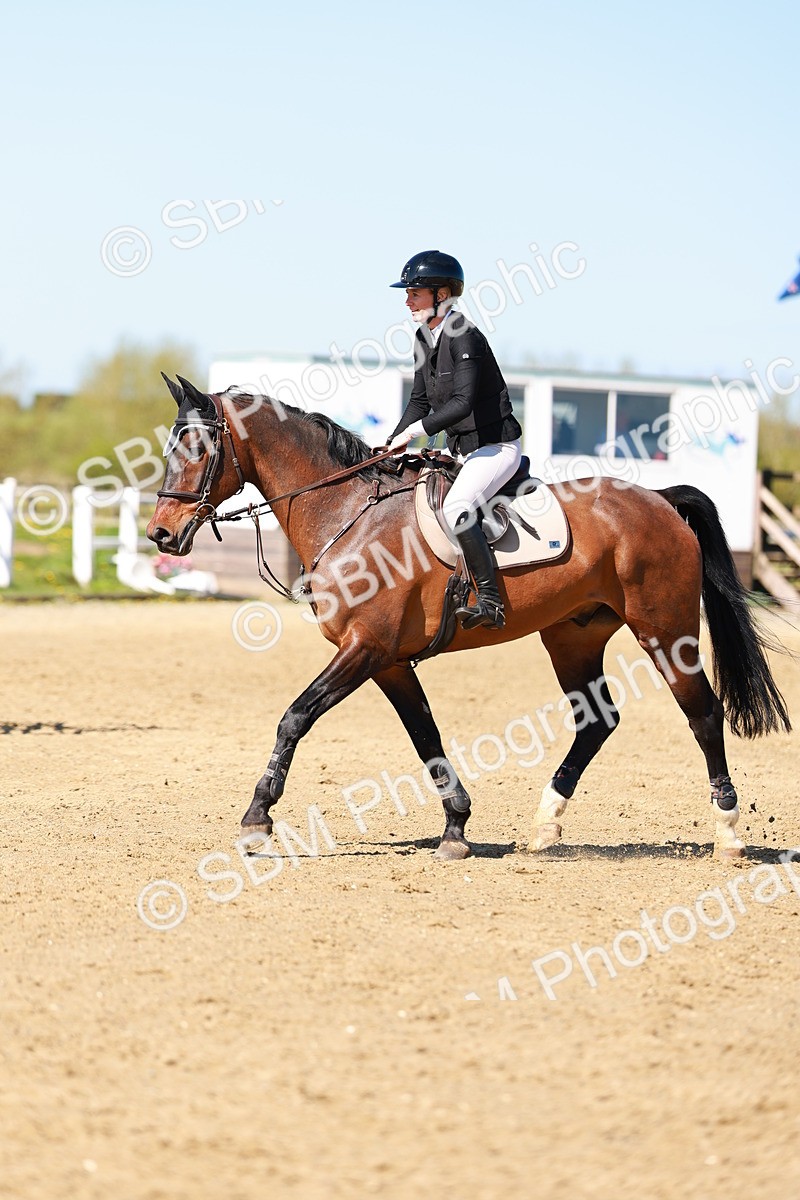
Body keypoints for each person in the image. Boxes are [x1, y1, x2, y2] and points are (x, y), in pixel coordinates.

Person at [385, 250, 522, 630]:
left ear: (442, 294)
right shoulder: (422, 338)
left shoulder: (464, 335)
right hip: (462, 450)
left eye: (415, 292)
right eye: (408, 292)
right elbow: (419, 400)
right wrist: (393, 440)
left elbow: (462, 403)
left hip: (496, 447)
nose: (407, 300)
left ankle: (491, 602)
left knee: (457, 507)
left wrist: (416, 432)